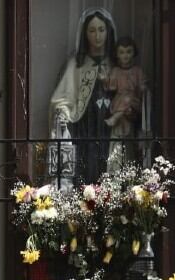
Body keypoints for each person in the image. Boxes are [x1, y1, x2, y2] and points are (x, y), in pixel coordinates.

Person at [49, 8, 117, 185]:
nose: (97, 36)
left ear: (108, 32)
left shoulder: (117, 63)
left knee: (108, 160)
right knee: (86, 163)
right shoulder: (76, 64)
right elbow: (62, 97)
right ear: (85, 34)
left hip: (109, 124)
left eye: (101, 30)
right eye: (92, 30)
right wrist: (63, 110)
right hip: (84, 124)